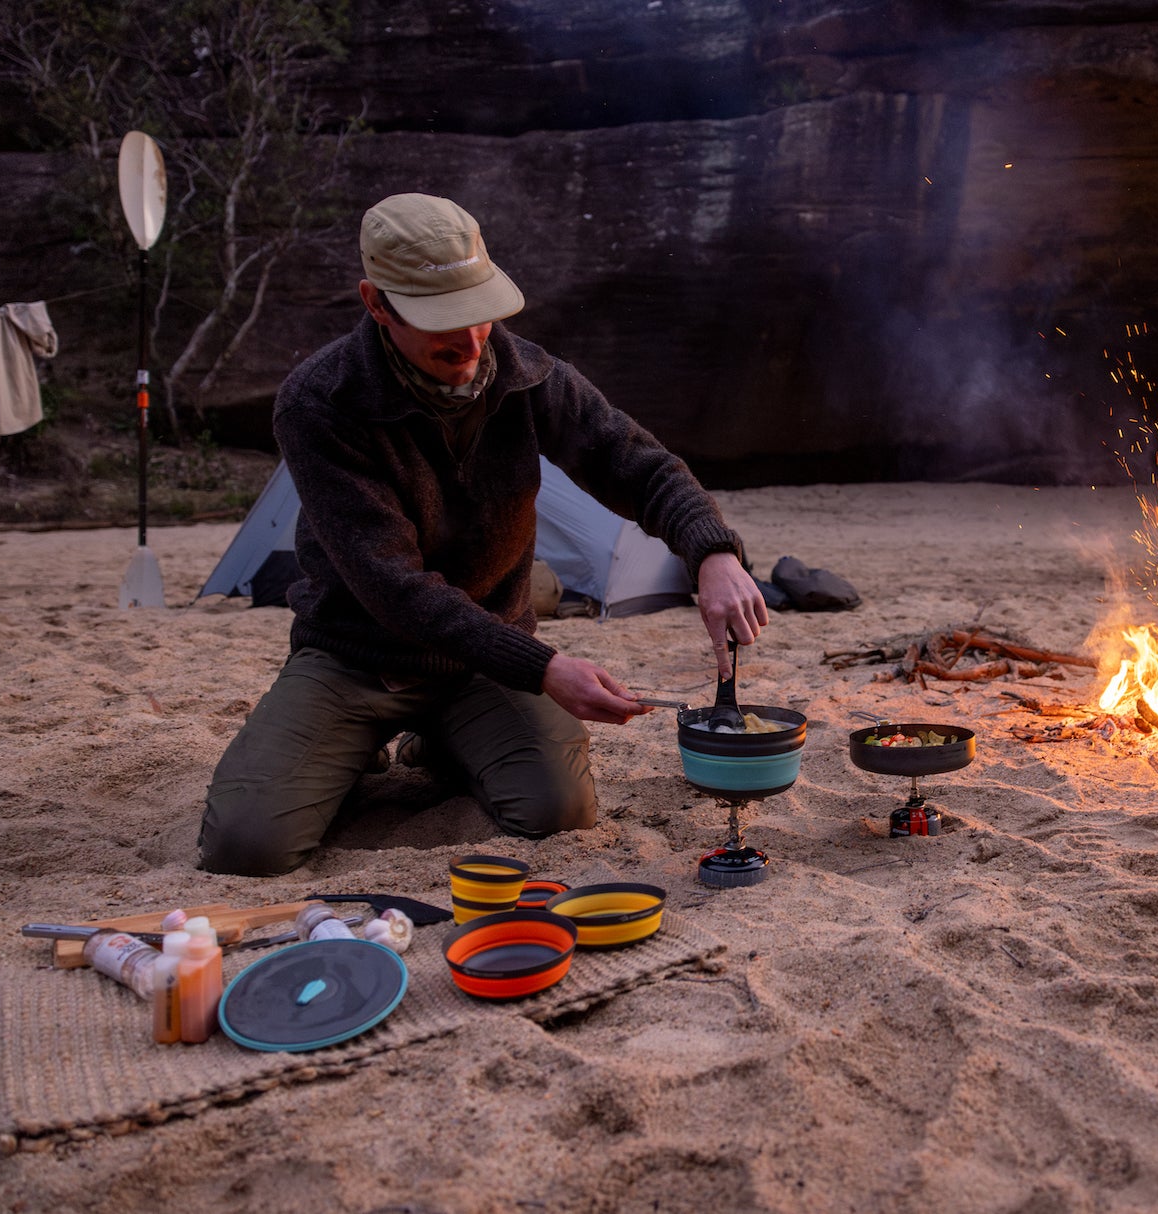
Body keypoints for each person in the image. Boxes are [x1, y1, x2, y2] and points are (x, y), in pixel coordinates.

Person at [198, 193, 768, 875]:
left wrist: (712, 553)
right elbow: (393, 586)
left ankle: (441, 744)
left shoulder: (527, 374)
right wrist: (544, 668)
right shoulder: (320, 401)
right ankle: (355, 747)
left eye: (478, 312)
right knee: (247, 845)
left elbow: (637, 465)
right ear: (377, 304)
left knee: (556, 812)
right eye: (442, 320)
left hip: (483, 663)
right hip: (356, 658)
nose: (471, 342)